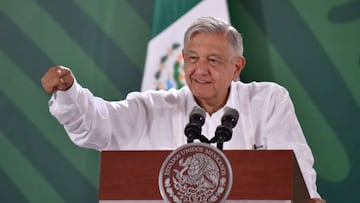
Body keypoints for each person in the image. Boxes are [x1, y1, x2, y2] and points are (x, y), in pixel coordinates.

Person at [41, 17, 325, 203]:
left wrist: (307, 198)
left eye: (213, 60)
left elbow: (295, 167)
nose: (200, 70)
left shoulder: (267, 101)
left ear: (236, 66)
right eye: (192, 59)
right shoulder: (153, 108)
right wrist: (69, 92)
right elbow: (96, 124)